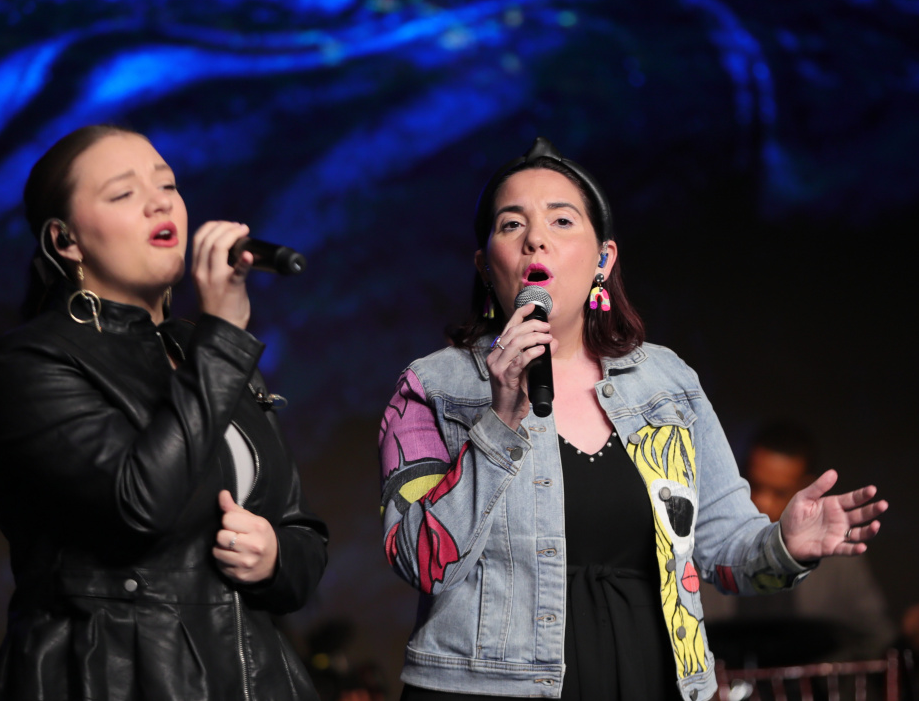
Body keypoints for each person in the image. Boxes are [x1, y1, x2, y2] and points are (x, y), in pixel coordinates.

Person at [377, 138, 888, 701]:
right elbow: (418, 561)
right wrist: (500, 422)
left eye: (562, 220)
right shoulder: (432, 387)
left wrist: (785, 545)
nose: (535, 238)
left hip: (650, 678)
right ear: (484, 264)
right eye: (511, 224)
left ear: (603, 259)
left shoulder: (667, 382)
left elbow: (722, 548)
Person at [0, 124, 328, 700]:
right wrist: (223, 336)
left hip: (253, 678)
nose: (160, 203)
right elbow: (138, 508)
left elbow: (301, 534)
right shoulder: (27, 363)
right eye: (123, 193)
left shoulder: (206, 351)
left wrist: (274, 557)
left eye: (167, 185)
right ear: (65, 240)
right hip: (112, 678)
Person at [709, 421, 919, 660]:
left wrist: (909, 641)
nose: (762, 502)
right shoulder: (708, 543)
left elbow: (878, 644)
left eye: (779, 492)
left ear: (806, 488)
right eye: (754, 486)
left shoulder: (837, 561)